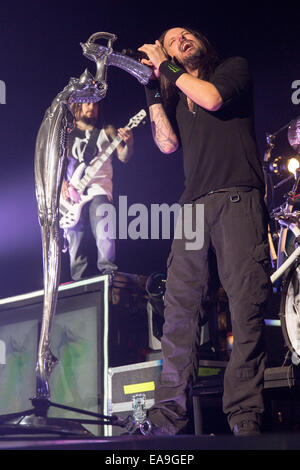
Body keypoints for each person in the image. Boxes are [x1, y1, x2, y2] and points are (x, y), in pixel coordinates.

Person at [138, 27, 271, 436]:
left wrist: (166, 65)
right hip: (194, 208)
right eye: (172, 39)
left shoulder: (232, 69)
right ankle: (166, 419)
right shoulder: (176, 91)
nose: (180, 39)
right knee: (178, 312)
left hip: (237, 199)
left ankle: (244, 415)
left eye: (187, 35)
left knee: (245, 305)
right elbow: (167, 144)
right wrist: (153, 90)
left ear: (203, 43)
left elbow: (211, 99)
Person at [61, 101, 133, 280]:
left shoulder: (107, 130)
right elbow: (57, 162)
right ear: (77, 105)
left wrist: (130, 143)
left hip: (99, 188)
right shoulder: (66, 134)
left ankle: (108, 274)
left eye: (94, 104)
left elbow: (123, 157)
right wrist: (62, 182)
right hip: (73, 193)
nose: (91, 107)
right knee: (75, 237)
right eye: (86, 103)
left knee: (104, 230)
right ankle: (78, 281)